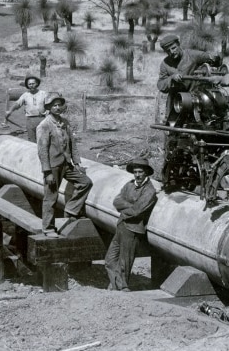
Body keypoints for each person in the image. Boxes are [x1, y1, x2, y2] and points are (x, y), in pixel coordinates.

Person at [36, 92, 93, 238]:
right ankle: (48, 228)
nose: (57, 108)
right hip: (53, 166)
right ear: (48, 107)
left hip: (66, 164)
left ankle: (72, 209)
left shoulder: (65, 123)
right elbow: (42, 151)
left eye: (59, 105)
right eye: (53, 105)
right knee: (51, 197)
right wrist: (47, 172)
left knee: (85, 182)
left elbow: (73, 144)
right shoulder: (44, 125)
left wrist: (77, 162)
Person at [105, 158, 158, 292]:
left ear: (146, 172)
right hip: (121, 225)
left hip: (134, 229)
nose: (138, 175)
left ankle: (123, 287)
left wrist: (126, 207)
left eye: (140, 172)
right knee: (110, 259)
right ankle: (115, 283)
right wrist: (129, 206)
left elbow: (137, 211)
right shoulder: (128, 185)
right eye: (135, 172)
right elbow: (116, 201)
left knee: (125, 261)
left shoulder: (149, 191)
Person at [156, 34, 222, 94]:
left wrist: (215, 57)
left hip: (196, 94)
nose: (172, 52)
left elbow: (213, 60)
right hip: (176, 99)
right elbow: (160, 85)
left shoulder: (191, 55)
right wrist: (171, 78)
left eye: (173, 48)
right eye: (168, 51)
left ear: (179, 44)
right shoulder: (165, 64)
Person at [5, 75, 48, 142]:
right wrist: (10, 111)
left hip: (42, 119)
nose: (31, 85)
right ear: (27, 85)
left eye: (33, 83)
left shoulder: (43, 93)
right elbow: (17, 104)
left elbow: (50, 105)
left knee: (44, 140)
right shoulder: (25, 95)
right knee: (31, 141)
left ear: (36, 83)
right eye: (29, 84)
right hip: (30, 120)